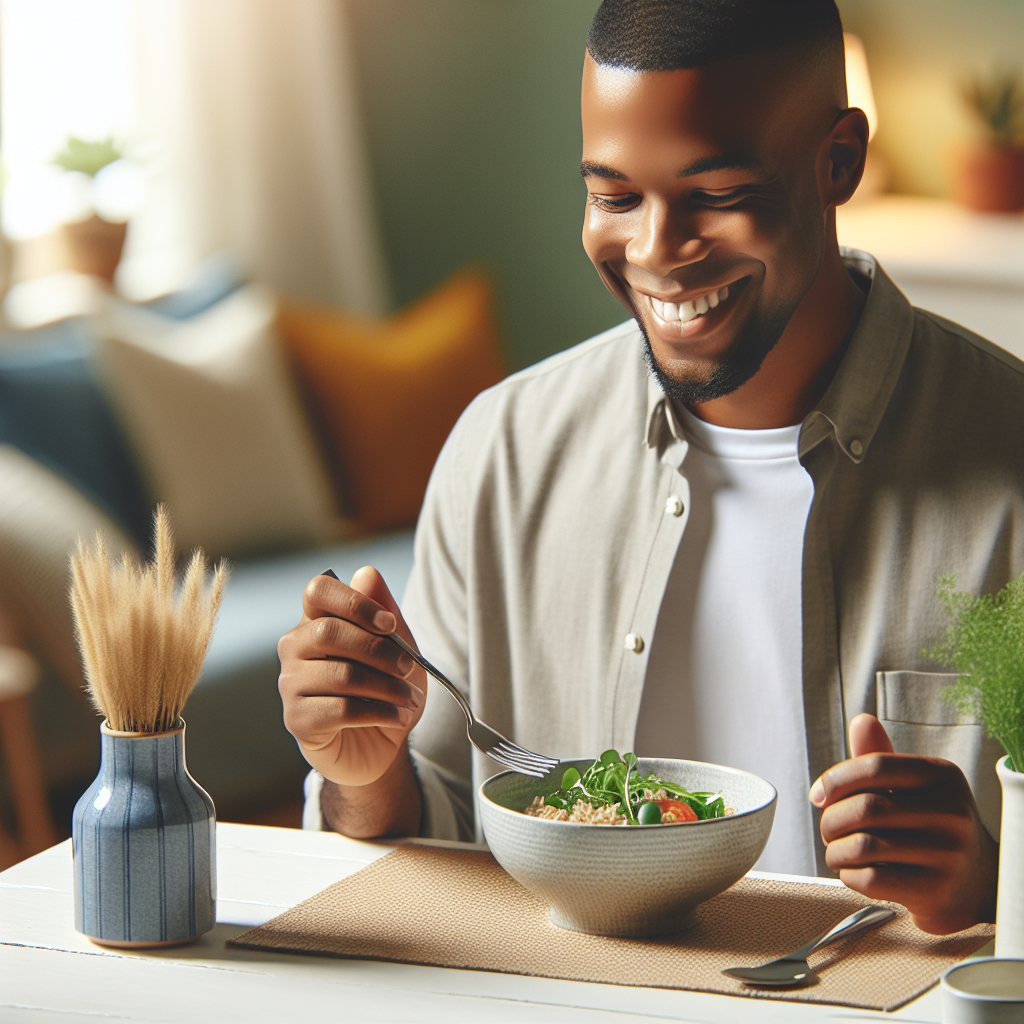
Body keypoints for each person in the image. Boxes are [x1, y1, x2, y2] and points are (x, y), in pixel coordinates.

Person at [278, 0, 1023, 936]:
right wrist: (365, 772)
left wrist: (992, 883)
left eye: (716, 193)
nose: (658, 253)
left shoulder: (1011, 467)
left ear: (839, 161)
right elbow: (439, 836)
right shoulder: (502, 454)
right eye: (615, 195)